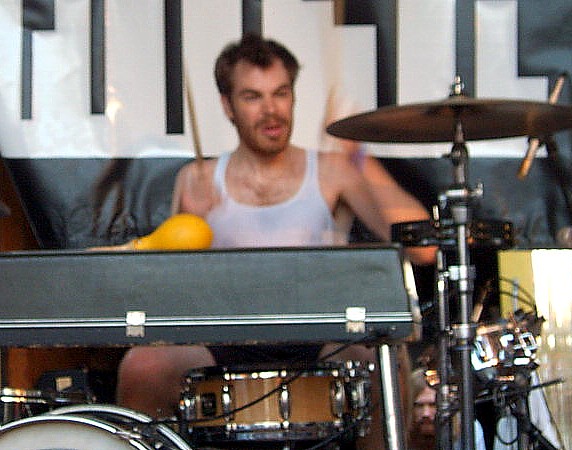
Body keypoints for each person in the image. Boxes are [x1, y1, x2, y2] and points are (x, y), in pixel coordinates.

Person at [116, 33, 435, 447]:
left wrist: (360, 158)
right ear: (228, 106)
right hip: (224, 340)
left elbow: (424, 248)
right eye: (253, 97)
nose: (271, 110)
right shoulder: (197, 178)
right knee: (143, 367)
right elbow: (171, 292)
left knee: (381, 363)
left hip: (322, 337)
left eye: (280, 93)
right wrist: (191, 219)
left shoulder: (333, 170)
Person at [407, 369, 487, 450]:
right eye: (419, 406)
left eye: (433, 405)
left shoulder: (469, 428)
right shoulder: (401, 434)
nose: (426, 413)